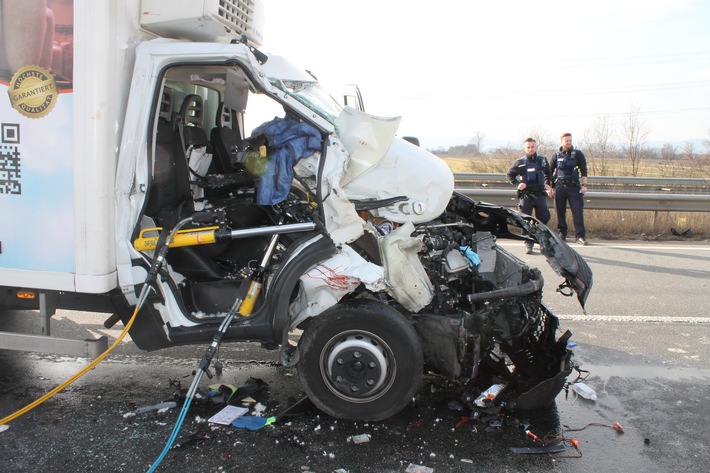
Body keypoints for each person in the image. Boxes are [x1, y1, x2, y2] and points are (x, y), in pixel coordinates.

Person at [506, 137, 553, 254]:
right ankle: (528, 243)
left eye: (532, 147)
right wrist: (517, 184)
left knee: (544, 218)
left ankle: (542, 241)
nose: (531, 149)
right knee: (525, 220)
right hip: (526, 196)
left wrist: (547, 184)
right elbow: (509, 174)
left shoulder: (543, 161)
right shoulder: (520, 162)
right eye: (528, 147)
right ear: (525, 148)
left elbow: (549, 174)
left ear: (536, 147)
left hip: (540, 194)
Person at [550, 132, 589, 245]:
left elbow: (584, 170)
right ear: (562, 142)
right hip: (560, 186)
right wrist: (550, 187)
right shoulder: (556, 155)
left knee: (577, 211)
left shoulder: (578, 154)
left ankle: (580, 236)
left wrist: (584, 185)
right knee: (560, 211)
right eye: (567, 141)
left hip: (574, 186)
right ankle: (562, 233)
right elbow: (549, 172)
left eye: (570, 141)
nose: (569, 143)